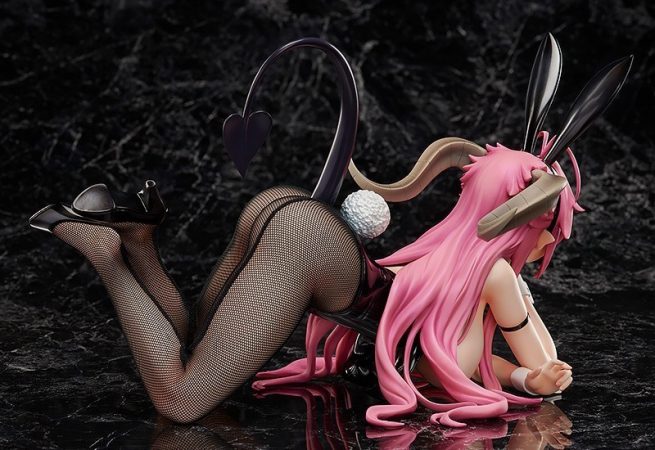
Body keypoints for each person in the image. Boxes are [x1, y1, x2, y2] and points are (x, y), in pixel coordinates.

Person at [28, 35, 631, 428]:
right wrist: (532, 365)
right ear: (524, 222)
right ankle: (108, 254)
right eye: (550, 232)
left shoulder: (452, 281)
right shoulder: (494, 275)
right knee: (180, 402)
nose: (549, 246)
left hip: (290, 216)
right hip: (309, 245)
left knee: (189, 346)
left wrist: (521, 377)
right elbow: (548, 369)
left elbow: (448, 366)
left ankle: (138, 238)